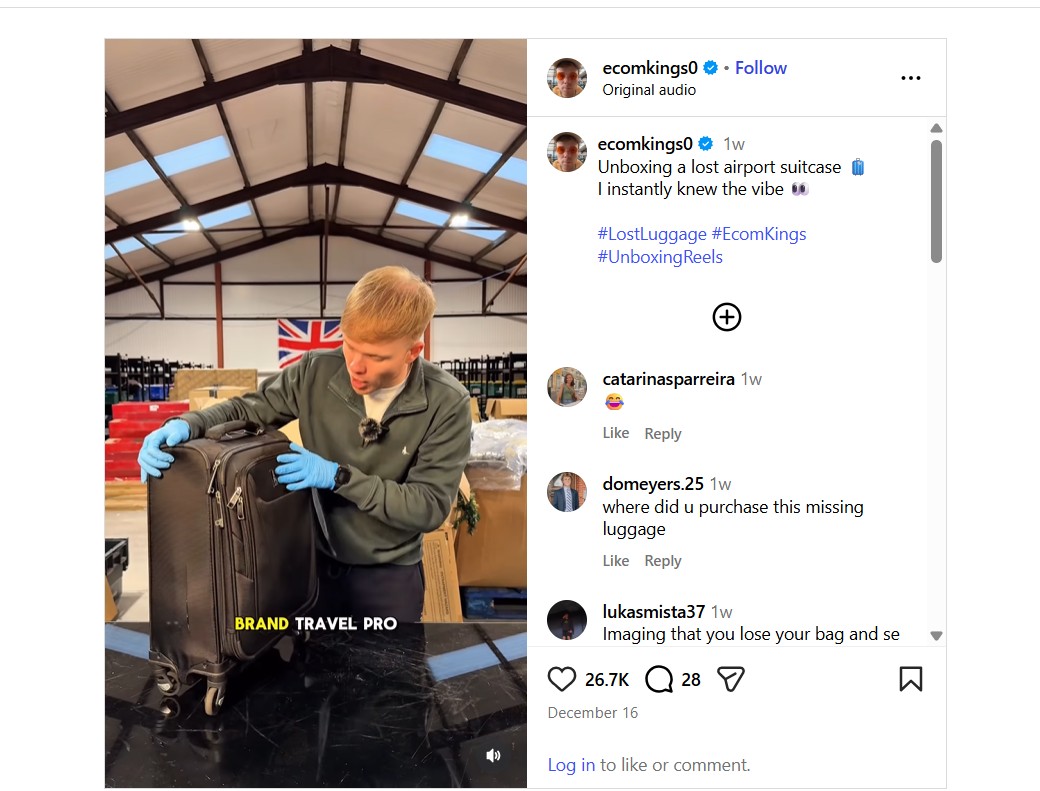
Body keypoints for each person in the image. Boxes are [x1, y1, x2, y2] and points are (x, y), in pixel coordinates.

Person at [137, 266, 472, 623]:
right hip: (313, 566)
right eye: (349, 345)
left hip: (388, 577)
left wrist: (338, 478)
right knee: (307, 672)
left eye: (375, 357)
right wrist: (187, 424)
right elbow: (248, 408)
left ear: (412, 350)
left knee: (387, 676)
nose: (355, 366)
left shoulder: (446, 403)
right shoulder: (315, 372)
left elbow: (428, 507)